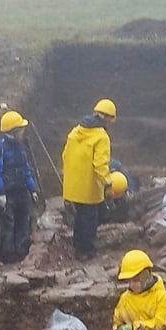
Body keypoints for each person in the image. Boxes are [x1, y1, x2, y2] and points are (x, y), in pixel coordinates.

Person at [61, 98, 118, 260]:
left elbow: (65, 155)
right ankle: (87, 251)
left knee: (80, 216)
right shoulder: (101, 136)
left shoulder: (76, 130)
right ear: (107, 117)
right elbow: (100, 164)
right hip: (89, 187)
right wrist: (107, 182)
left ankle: (77, 246)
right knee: (90, 219)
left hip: (73, 186)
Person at [0, 110, 39, 263]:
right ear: (14, 131)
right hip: (8, 194)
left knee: (23, 220)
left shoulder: (20, 147)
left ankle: (21, 252)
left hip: (22, 191)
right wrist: (0, 193)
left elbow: (26, 169)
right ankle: (9, 256)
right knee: (9, 224)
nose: (23, 132)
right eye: (21, 129)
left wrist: (32, 189)